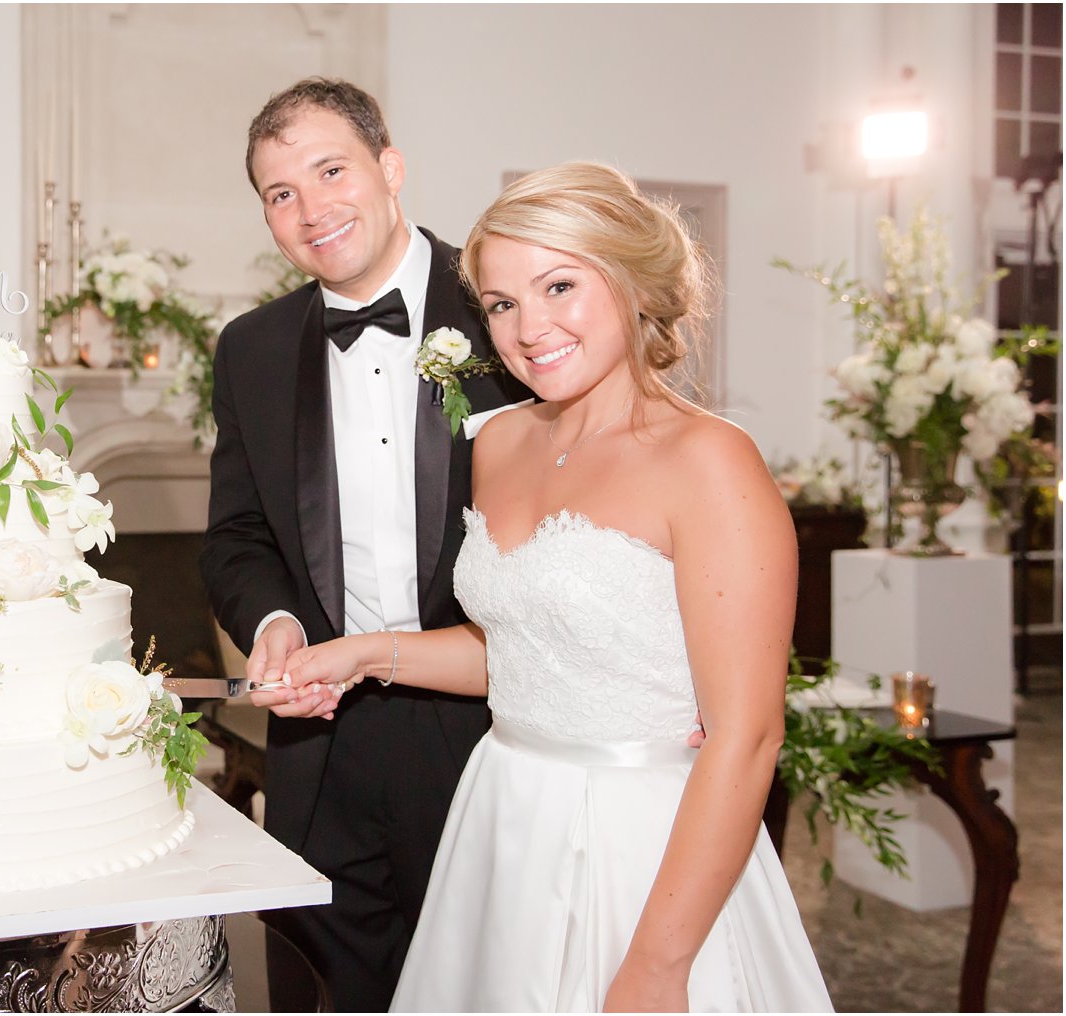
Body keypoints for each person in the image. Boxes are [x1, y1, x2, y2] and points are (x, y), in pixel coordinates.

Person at [279, 162, 833, 1012]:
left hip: (642, 848)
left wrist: (656, 968)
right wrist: (361, 655)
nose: (527, 328)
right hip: (503, 817)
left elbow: (748, 736)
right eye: (501, 304)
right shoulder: (500, 444)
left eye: (559, 286)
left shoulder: (710, 462)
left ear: (629, 283)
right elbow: (526, 656)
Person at [198, 78, 532, 1011]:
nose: (310, 210)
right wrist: (270, 621)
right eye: (280, 193)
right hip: (322, 742)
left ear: (390, 168)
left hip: (489, 731)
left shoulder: (511, 310)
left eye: (330, 170)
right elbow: (236, 535)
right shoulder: (251, 349)